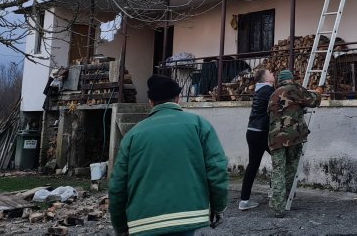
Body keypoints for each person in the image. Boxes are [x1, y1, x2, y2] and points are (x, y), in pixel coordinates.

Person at [109, 75, 228, 236]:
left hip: (143, 222)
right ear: (178, 98)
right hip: (186, 217)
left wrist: (120, 225)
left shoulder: (133, 135)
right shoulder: (199, 125)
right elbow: (217, 169)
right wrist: (218, 206)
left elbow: (117, 186)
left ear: (150, 102)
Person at [267, 69, 322, 217]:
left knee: (278, 171)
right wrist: (318, 91)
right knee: (291, 168)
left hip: (274, 138)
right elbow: (313, 101)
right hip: (293, 138)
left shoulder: (274, 94)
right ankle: (286, 199)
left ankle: (277, 206)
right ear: (290, 79)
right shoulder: (294, 88)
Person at [238, 68, 276, 211]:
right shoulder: (267, 90)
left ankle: (244, 201)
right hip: (261, 133)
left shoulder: (260, 91)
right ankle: (274, 194)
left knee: (252, 166)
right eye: (270, 73)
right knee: (281, 159)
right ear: (265, 79)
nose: (273, 74)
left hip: (252, 132)